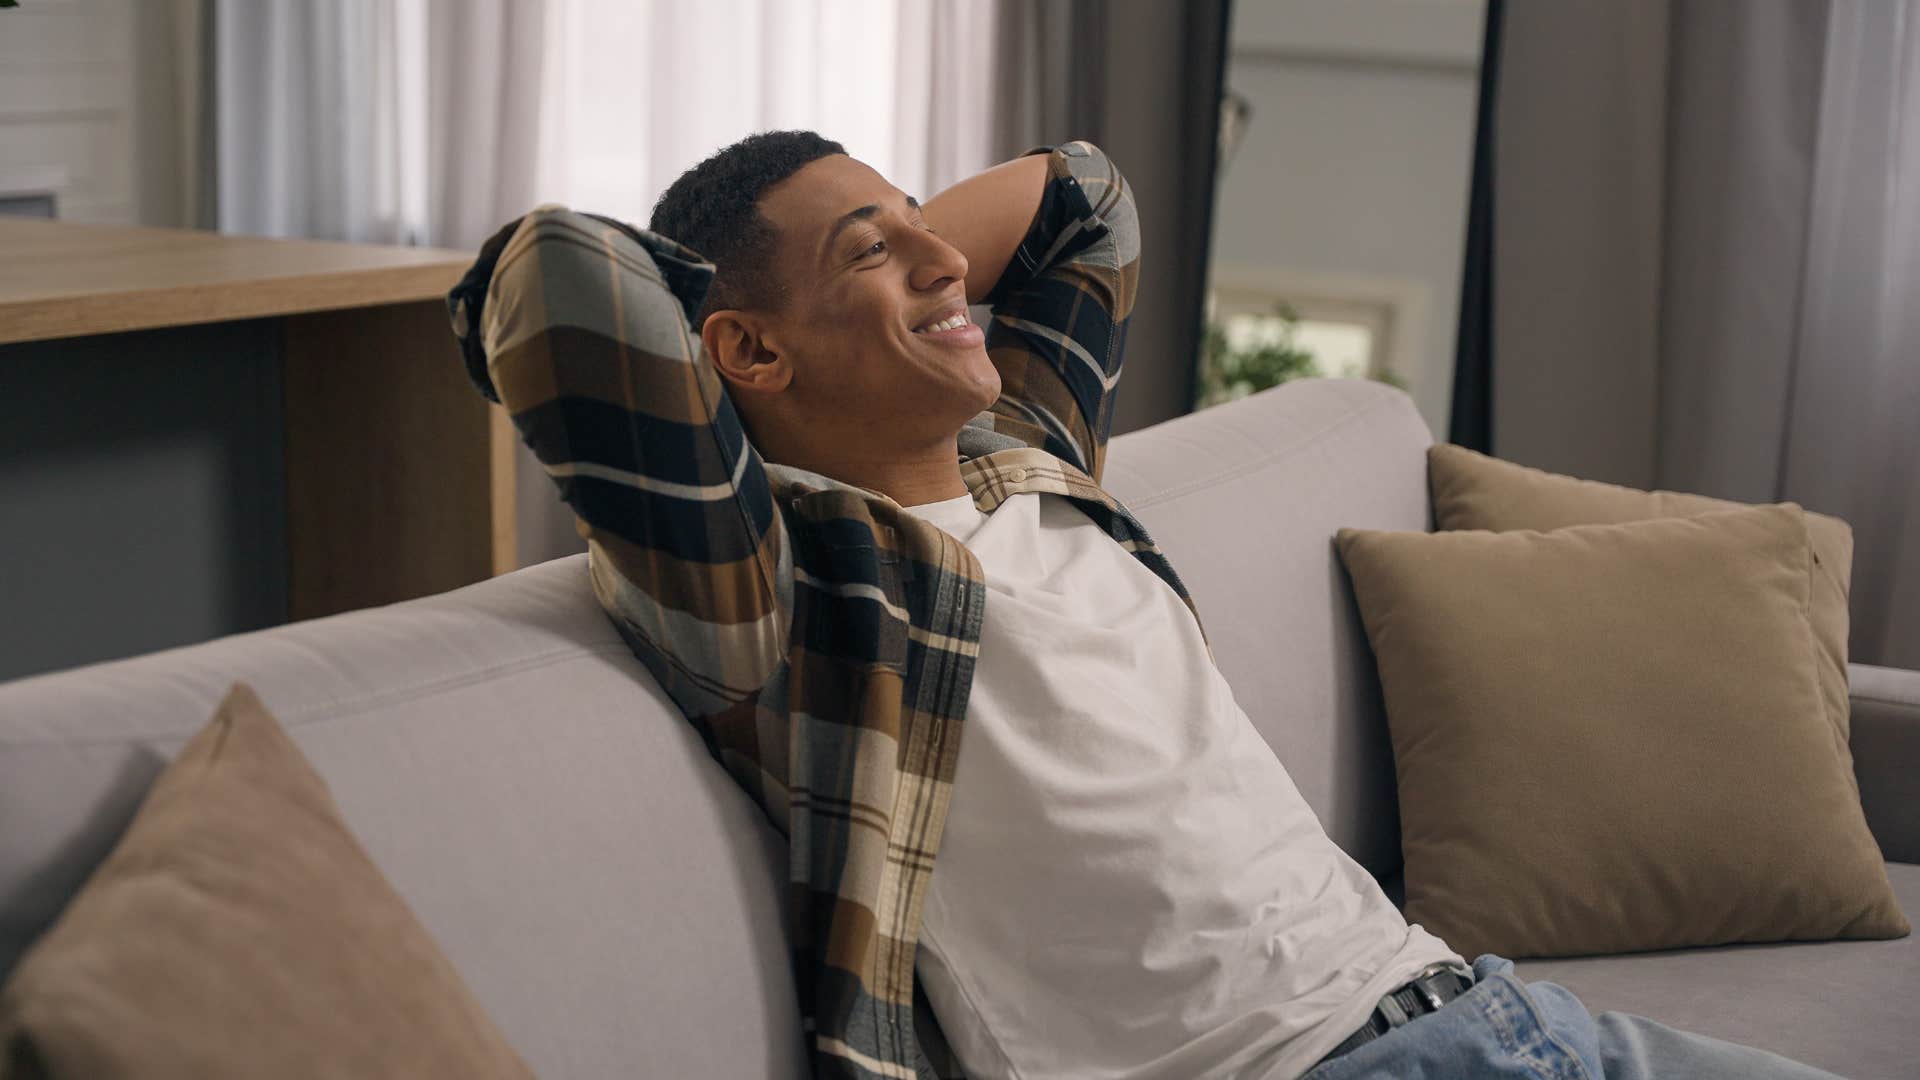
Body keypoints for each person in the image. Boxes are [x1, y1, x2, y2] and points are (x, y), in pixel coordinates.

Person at [447, 132, 1844, 1080]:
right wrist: (804, 294)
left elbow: (1088, 197)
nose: (950, 267)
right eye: (874, 252)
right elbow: (561, 280)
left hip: (1504, 1013)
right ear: (742, 350)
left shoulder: (1030, 460)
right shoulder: (784, 591)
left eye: (937, 234)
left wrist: (889, 262)